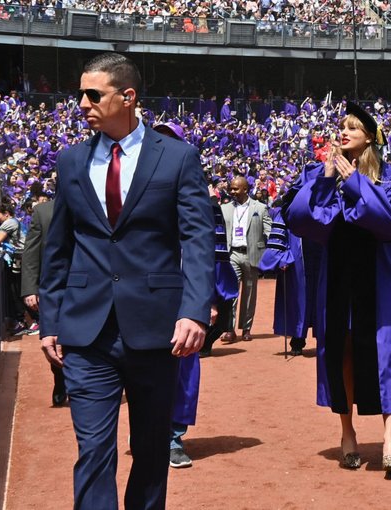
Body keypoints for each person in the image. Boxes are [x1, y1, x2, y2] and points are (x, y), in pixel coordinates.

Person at [38, 53, 214, 509]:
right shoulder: (71, 161)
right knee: (93, 451)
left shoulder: (178, 158)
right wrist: (50, 321)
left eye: (92, 94)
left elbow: (197, 240)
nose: (82, 103)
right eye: (80, 94)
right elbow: (59, 248)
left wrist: (194, 310)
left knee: (152, 451)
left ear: (127, 96)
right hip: (85, 332)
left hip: (156, 332)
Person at [283, 102, 391, 478]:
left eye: (353, 128)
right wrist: (326, 179)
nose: (343, 132)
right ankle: (348, 432)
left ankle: (390, 436)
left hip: (377, 277)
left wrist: (357, 183)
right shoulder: (318, 173)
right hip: (336, 276)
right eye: (341, 126)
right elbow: (301, 220)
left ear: (370, 137)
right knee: (339, 351)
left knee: (384, 350)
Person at [152, 121, 238, 469]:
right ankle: (147, 430)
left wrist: (210, 300)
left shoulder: (201, 197)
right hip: (143, 296)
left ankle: (173, 436)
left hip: (184, 296)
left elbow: (210, 254)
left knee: (184, 368)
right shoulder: (132, 190)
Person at [20, 197, 66, 406]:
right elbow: (31, 253)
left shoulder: (91, 204)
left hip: (87, 288)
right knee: (53, 339)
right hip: (51, 289)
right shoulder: (42, 211)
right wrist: (30, 289)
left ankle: (79, 384)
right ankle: (60, 380)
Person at [258, 195, 318, 356]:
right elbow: (278, 237)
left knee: (322, 299)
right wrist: (282, 257)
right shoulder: (287, 210)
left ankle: (324, 337)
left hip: (321, 259)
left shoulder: (324, 204)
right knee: (299, 300)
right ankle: (298, 339)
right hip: (298, 262)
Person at [220, 175, 271, 342]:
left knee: (250, 293)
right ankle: (229, 328)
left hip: (252, 254)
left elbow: (268, 229)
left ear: (245, 189)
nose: (232, 191)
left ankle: (246, 328)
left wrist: (274, 251)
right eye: (231, 188)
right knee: (231, 293)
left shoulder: (260, 208)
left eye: (236, 188)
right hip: (232, 253)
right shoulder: (224, 208)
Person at [0, 202, 26, 335]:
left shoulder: (9, 222)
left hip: (20, 258)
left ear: (6, 214)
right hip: (20, 258)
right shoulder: (11, 222)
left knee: (15, 289)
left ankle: (24, 321)